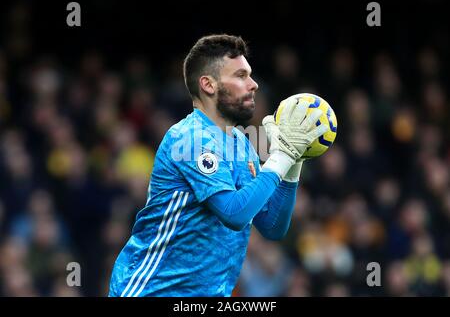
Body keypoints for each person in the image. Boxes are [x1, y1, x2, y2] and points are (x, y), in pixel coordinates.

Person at [108, 34, 327, 297]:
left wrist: (293, 165)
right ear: (208, 85)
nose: (253, 84)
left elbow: (272, 227)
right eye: (241, 75)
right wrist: (280, 157)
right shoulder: (189, 138)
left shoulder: (240, 143)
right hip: (151, 291)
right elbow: (234, 213)